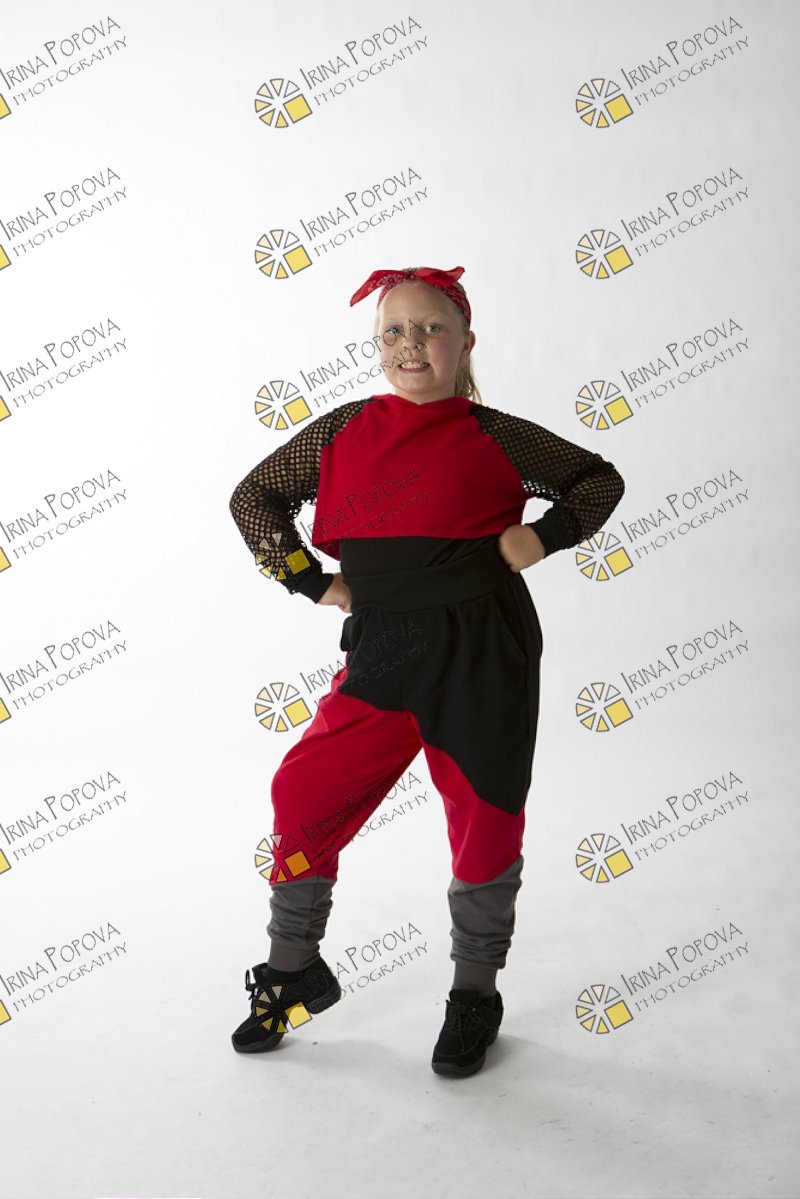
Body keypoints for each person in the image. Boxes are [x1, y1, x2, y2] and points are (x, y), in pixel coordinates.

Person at [228, 265, 625, 1077]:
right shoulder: (341, 430)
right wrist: (312, 581)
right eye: (394, 331)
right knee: (302, 792)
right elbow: (254, 497)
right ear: (378, 346)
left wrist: (543, 536)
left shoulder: (499, 435)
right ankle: (293, 969)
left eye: (431, 327)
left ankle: (474, 992)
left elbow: (597, 479)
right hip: (383, 649)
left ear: (465, 342)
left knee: (485, 818)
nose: (412, 343)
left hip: (484, 651)